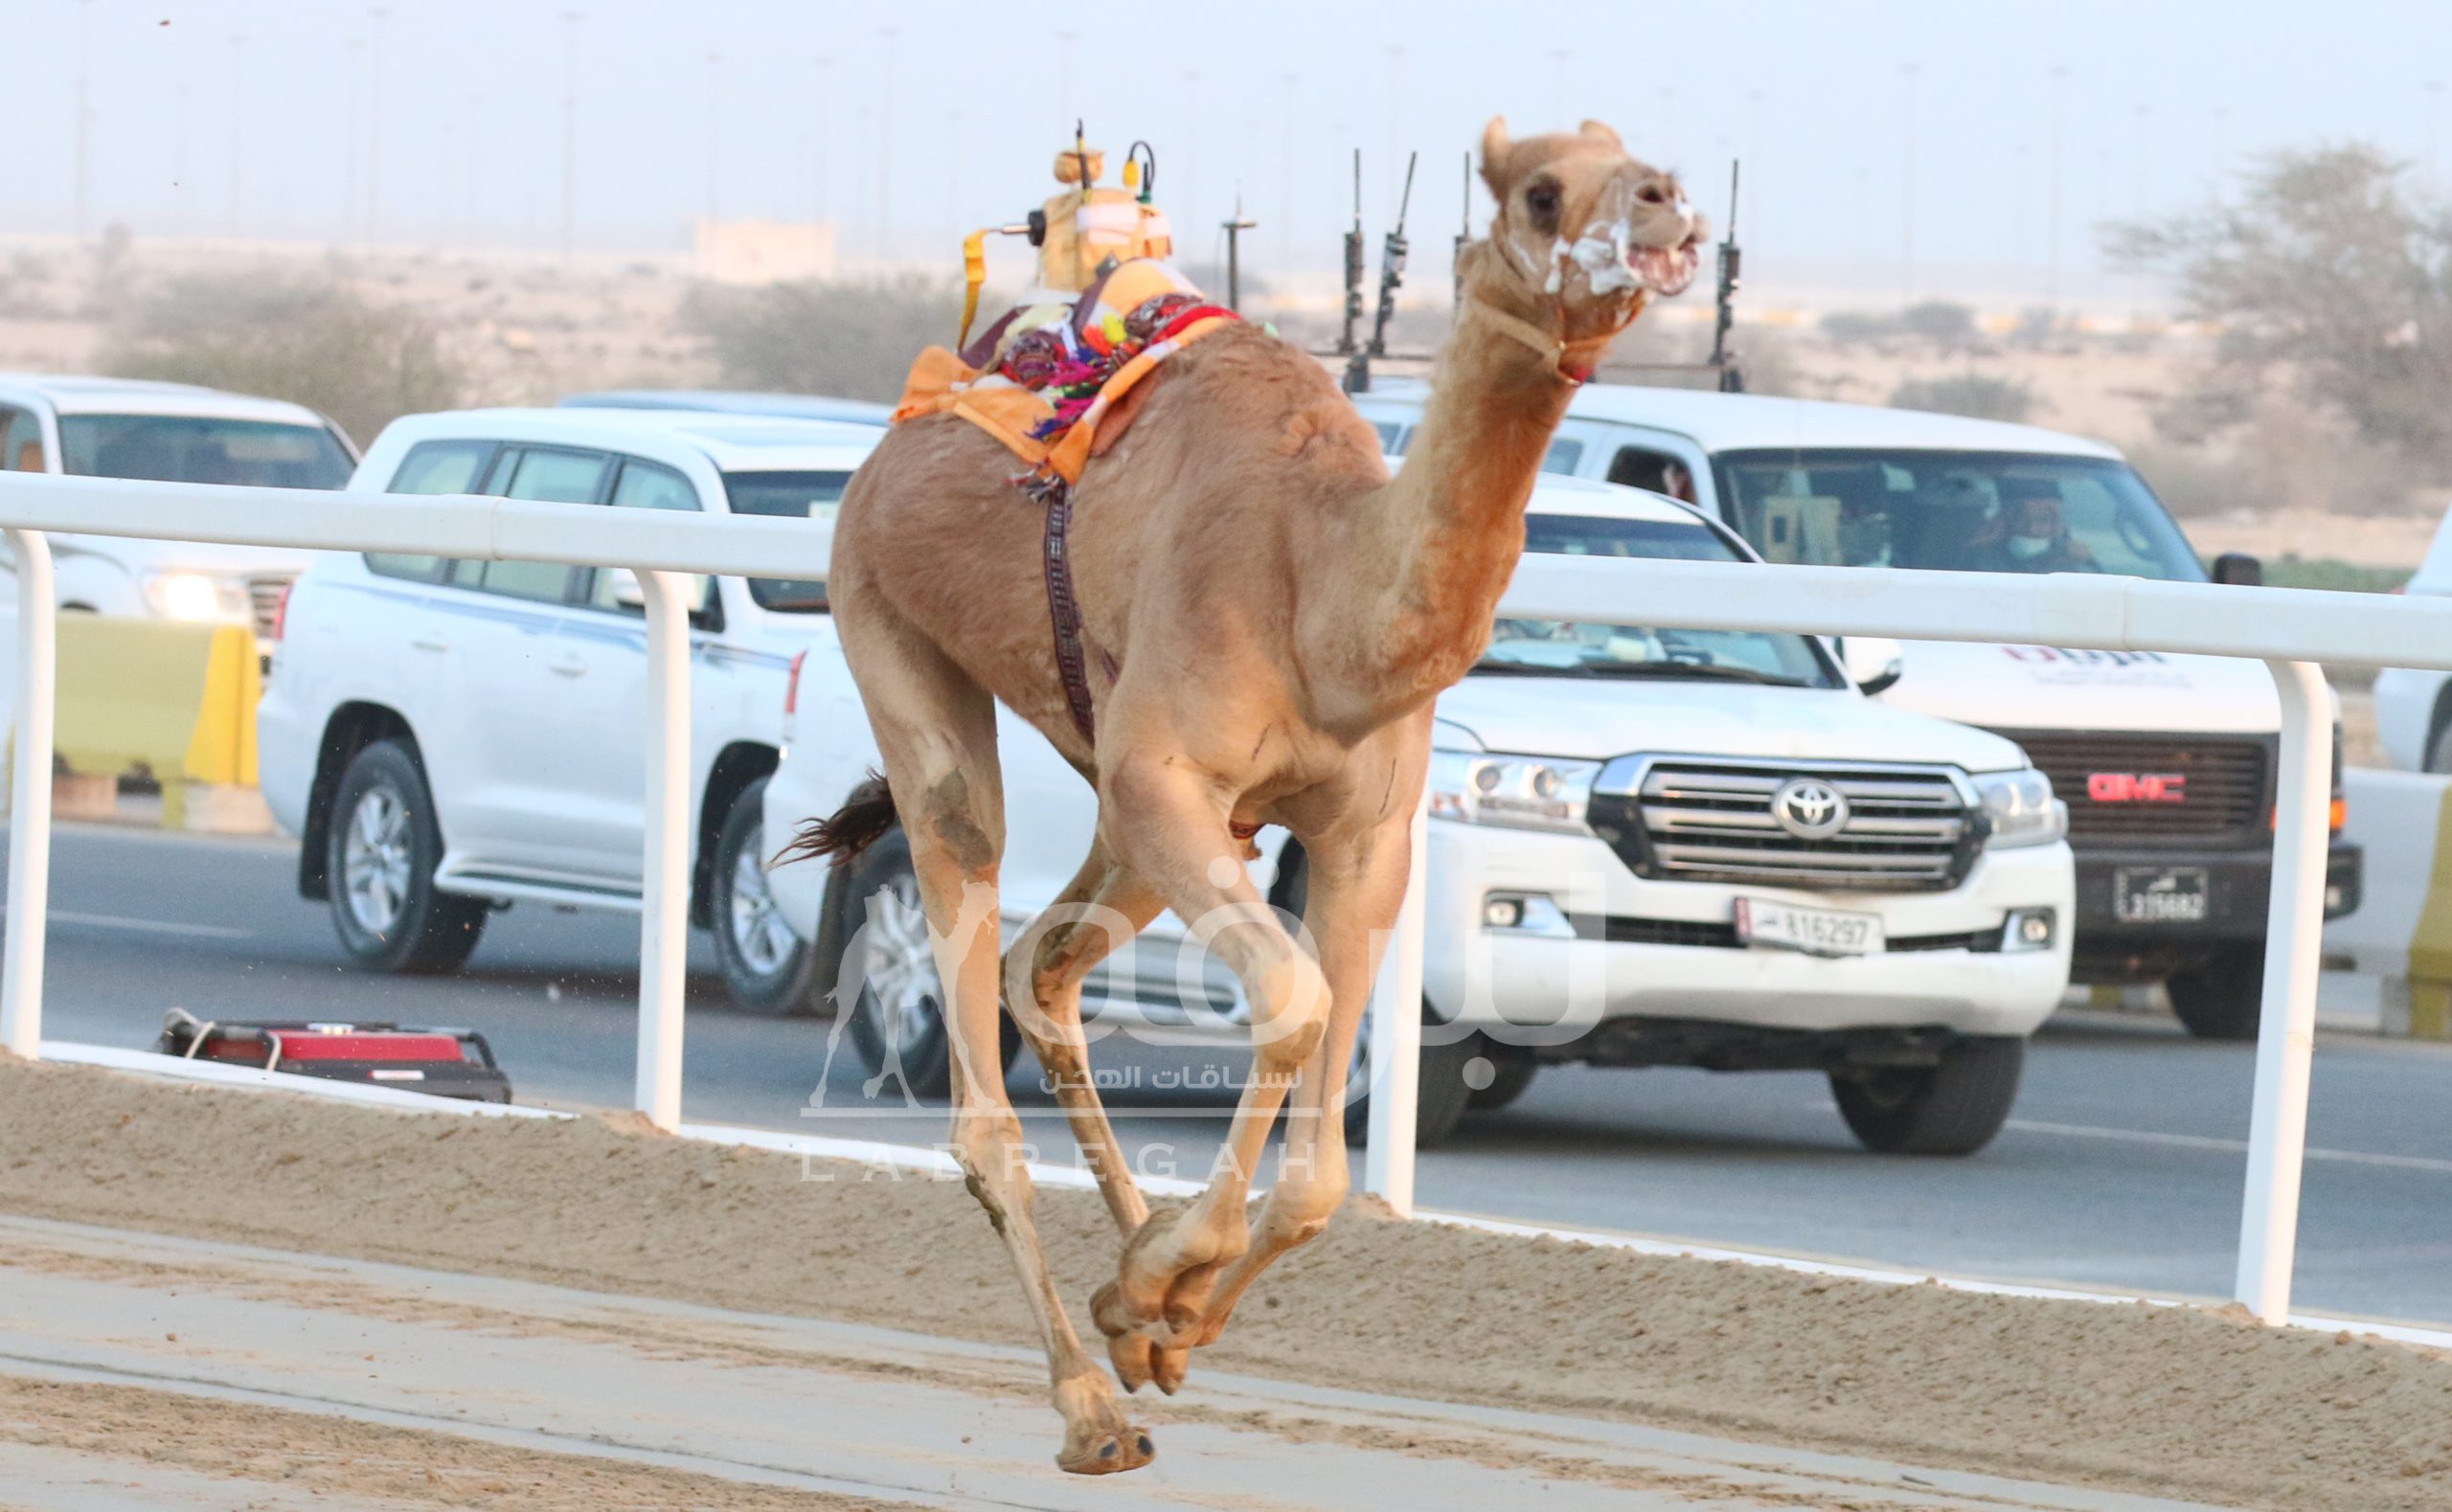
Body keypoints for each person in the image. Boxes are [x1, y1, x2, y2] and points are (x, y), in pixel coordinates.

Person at [1972, 479, 2096, 574]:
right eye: (2023, 519)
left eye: (2043, 520)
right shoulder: (1981, 558)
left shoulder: (2075, 561)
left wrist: (2084, 562)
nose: (2032, 529)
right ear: (2007, 520)